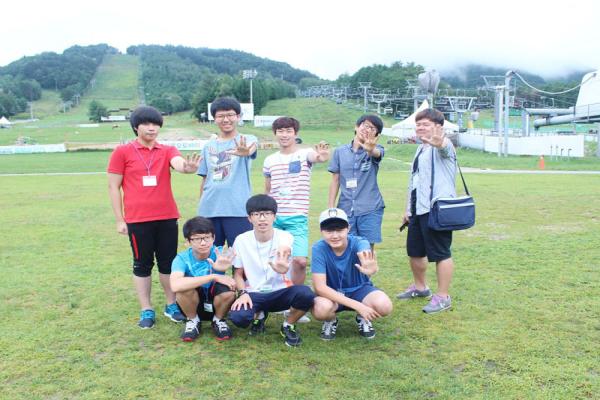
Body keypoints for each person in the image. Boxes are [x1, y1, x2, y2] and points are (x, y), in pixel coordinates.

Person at [107, 105, 200, 329]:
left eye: (156, 124)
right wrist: (120, 219)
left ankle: (171, 305)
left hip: (166, 217)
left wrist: (187, 168)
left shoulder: (167, 150)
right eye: (147, 124)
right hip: (137, 220)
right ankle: (146, 308)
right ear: (135, 127)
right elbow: (113, 187)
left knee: (168, 263)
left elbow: (179, 164)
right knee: (142, 264)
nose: (152, 128)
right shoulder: (122, 152)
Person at [228, 195, 316, 347]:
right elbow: (237, 273)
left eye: (267, 213)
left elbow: (285, 247)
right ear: (249, 218)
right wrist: (242, 294)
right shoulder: (241, 240)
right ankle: (259, 316)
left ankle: (288, 324)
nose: (262, 219)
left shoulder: (285, 236)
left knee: (306, 294)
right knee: (239, 318)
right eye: (256, 214)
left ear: (274, 217)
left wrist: (284, 266)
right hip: (254, 293)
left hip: (280, 292)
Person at [397, 108, 457, 314]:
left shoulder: (444, 145)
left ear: (438, 127)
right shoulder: (420, 148)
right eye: (418, 124)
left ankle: (443, 296)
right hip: (418, 209)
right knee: (414, 251)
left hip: (437, 209)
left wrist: (440, 142)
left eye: (425, 124)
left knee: (441, 253)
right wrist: (408, 209)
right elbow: (415, 182)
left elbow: (444, 148)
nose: (420, 128)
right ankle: (420, 287)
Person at [263, 116, 330, 286]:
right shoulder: (269, 160)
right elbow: (268, 190)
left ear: (295, 133)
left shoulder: (304, 154)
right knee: (273, 258)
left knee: (300, 261)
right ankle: (274, 291)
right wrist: (265, 212)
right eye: (280, 131)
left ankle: (296, 297)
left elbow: (317, 157)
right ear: (275, 134)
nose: (284, 135)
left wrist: (321, 156)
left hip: (297, 217)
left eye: (288, 131)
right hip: (274, 218)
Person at [311, 208, 393, 340]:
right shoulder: (318, 248)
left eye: (340, 230)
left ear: (348, 228)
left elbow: (364, 250)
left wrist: (370, 266)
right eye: (329, 231)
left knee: (384, 306)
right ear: (321, 231)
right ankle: (331, 320)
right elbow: (319, 287)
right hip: (331, 294)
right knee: (320, 310)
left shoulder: (359, 242)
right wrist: (358, 306)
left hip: (359, 289)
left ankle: (363, 318)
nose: (335, 235)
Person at [197, 97, 258, 247]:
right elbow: (205, 179)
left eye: (230, 115)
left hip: (237, 209)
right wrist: (201, 208)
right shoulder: (207, 147)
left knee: (240, 254)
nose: (226, 119)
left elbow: (251, 148)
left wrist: (246, 152)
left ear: (238, 116)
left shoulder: (247, 139)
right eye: (220, 116)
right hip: (209, 209)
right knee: (209, 254)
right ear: (214, 119)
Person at [170, 217, 237, 342]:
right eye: (197, 239)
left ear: (213, 237)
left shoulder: (220, 253)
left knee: (229, 290)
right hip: (193, 304)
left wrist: (223, 270)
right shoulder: (181, 258)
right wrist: (214, 276)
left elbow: (237, 276)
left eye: (207, 237)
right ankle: (193, 321)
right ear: (188, 242)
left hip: (216, 303)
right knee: (183, 289)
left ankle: (218, 320)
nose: (203, 243)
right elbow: (175, 285)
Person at [328, 114, 385, 250]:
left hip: (370, 208)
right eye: (365, 125)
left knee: (366, 249)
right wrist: (331, 206)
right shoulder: (340, 152)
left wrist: (371, 149)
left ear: (376, 135)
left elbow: (377, 153)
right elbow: (335, 180)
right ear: (356, 127)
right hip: (345, 208)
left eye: (372, 128)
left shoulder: (377, 150)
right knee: (346, 247)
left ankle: (367, 266)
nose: (367, 129)